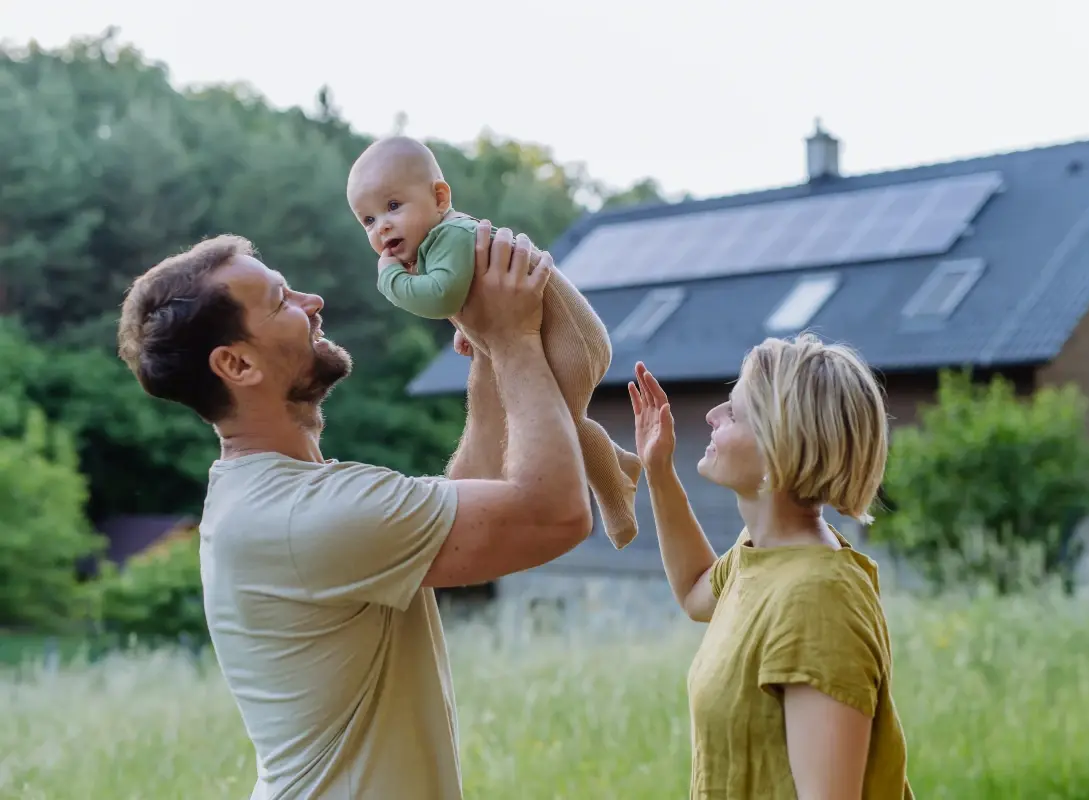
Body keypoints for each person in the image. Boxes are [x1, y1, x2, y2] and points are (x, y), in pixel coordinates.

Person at [116, 224, 592, 799]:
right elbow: (553, 515)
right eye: (280, 301)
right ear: (237, 365)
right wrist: (517, 338)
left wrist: (489, 353)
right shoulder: (303, 515)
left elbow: (469, 513)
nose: (311, 302)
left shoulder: (281, 500)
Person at [628, 334, 913, 799]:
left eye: (734, 413)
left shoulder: (818, 600)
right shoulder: (758, 553)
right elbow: (695, 590)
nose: (711, 416)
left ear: (780, 446)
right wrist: (658, 471)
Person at [345, 135, 641, 549]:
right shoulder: (439, 242)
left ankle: (616, 497)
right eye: (369, 221)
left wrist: (390, 278)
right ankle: (618, 464)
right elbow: (470, 292)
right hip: (557, 336)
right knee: (557, 420)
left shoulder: (449, 236)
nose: (383, 226)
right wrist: (470, 328)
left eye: (393, 206)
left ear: (439, 197)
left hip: (571, 341)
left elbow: (441, 294)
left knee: (557, 424)